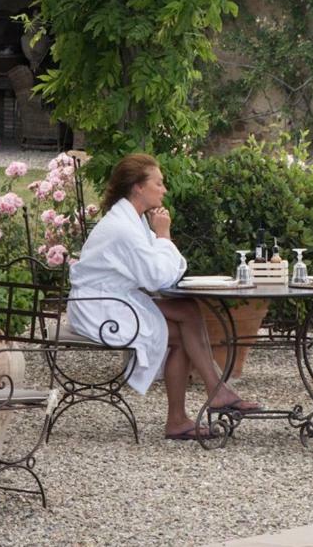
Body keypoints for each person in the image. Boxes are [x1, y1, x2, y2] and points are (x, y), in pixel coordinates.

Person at [68, 153, 261, 440]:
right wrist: (164, 235)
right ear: (138, 187)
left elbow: (161, 276)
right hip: (101, 310)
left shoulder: (132, 220)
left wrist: (159, 237)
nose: (164, 189)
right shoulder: (124, 228)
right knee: (184, 333)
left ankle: (209, 396)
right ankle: (194, 407)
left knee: (188, 309)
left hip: (117, 301)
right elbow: (159, 277)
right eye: (158, 183)